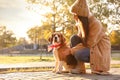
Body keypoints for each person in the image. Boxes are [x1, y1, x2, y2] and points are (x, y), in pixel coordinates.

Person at [69, 0, 111, 75]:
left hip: (98, 49)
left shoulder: (95, 24)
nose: (74, 16)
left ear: (81, 15)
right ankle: (79, 68)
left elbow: (90, 43)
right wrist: (71, 49)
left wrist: (72, 50)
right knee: (74, 38)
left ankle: (99, 67)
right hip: (90, 46)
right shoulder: (81, 23)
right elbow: (80, 38)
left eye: (75, 14)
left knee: (78, 54)